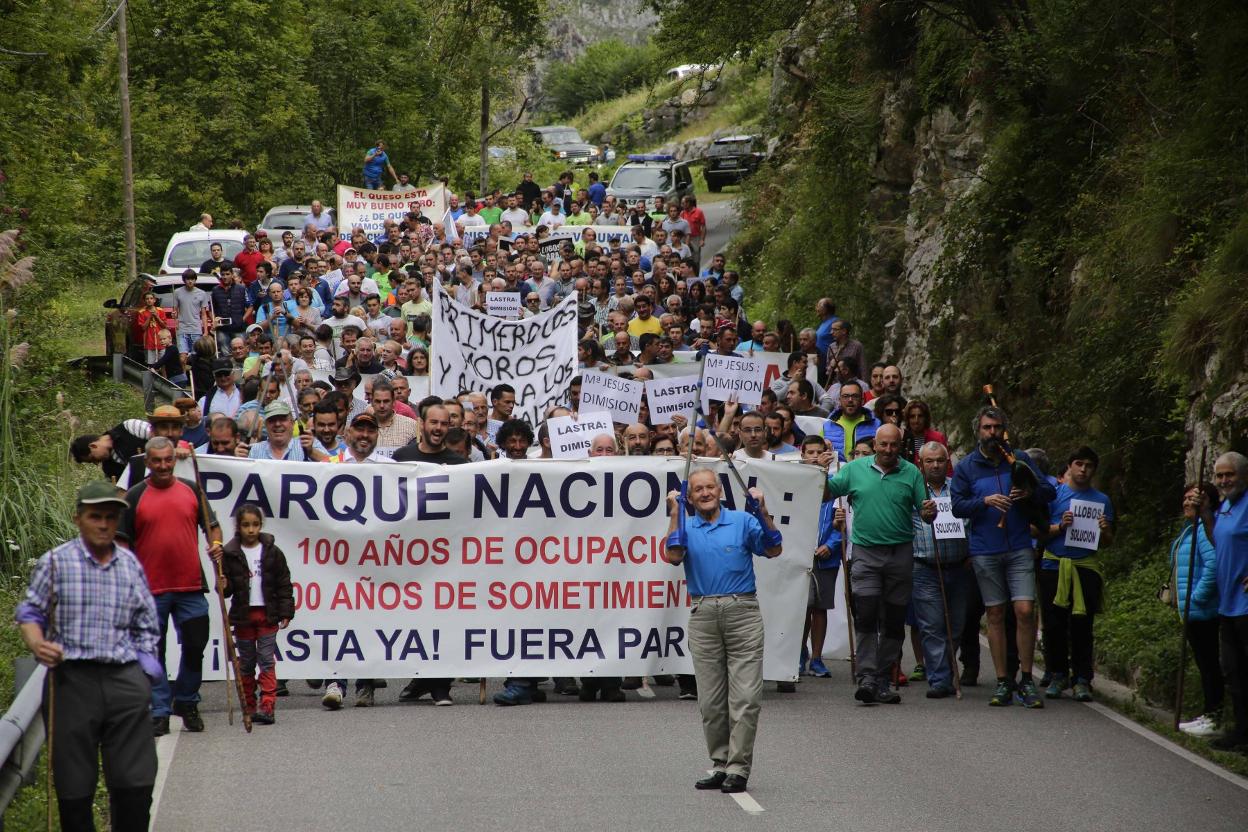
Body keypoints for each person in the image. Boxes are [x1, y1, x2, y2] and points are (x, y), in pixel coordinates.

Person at [15, 481, 162, 832]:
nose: (103, 525)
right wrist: (37, 644)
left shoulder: (130, 565)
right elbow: (31, 613)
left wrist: (143, 673)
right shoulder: (55, 563)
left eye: (111, 518)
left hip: (124, 678)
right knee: (74, 783)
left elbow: (147, 624)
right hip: (72, 681)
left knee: (136, 781)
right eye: (95, 516)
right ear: (78, 518)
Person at [664, 468, 782, 793]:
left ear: (719, 491)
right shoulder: (685, 525)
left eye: (710, 488)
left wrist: (764, 511)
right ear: (690, 497)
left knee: (745, 696)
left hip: (741, 609)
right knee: (711, 701)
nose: (704, 493)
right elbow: (673, 555)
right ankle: (720, 763)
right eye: (698, 490)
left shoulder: (742, 521)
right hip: (703, 613)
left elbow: (773, 548)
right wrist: (675, 513)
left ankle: (738, 768)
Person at [950, 406, 1055, 709]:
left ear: (1003, 430)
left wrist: (1028, 492)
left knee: (1024, 610)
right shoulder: (968, 466)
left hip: (1020, 544)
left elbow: (1048, 491)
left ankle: (1025, 678)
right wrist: (983, 501)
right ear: (978, 431)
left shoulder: (1018, 459)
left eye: (996, 428)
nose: (992, 433)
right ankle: (1002, 680)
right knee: (994, 614)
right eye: (986, 428)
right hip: (985, 549)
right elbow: (957, 506)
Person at [824, 424, 936, 704]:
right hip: (865, 552)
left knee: (894, 619)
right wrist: (818, 471)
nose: (888, 450)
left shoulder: (911, 472)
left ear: (900, 446)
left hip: (900, 552)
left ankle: (884, 678)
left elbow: (926, 515)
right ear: (875, 443)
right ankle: (867, 677)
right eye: (883, 444)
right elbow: (826, 492)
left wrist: (928, 511)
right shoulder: (854, 469)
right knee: (866, 613)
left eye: (893, 445)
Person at [118, 436, 222, 736]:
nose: (163, 466)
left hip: (190, 585)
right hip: (150, 590)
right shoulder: (134, 496)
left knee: (195, 644)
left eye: (167, 460)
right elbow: (122, 542)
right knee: (154, 652)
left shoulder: (191, 489)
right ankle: (160, 710)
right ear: (147, 462)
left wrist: (215, 544)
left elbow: (211, 525)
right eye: (157, 461)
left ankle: (187, 701)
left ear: (173, 461)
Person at [1039, 446, 1115, 701]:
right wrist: (1060, 526)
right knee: (1054, 625)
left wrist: (1104, 530)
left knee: (1083, 625)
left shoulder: (1101, 500)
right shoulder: (1053, 495)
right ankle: (1057, 674)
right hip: (1054, 566)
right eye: (1079, 464)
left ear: (1094, 470)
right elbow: (1035, 531)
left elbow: (1106, 542)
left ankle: (1083, 679)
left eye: (1089, 466)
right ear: (1069, 466)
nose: (1083, 470)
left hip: (1085, 567)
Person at [910, 441, 972, 699]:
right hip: (925, 567)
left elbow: (971, 519)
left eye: (940, 461)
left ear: (948, 462)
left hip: (959, 566)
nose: (935, 465)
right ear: (920, 463)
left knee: (955, 626)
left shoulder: (959, 489)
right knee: (932, 625)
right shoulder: (914, 490)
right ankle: (939, 679)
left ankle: (945, 670)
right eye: (929, 461)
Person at [1196, 451, 1248, 751]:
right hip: (1227, 602)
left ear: (1242, 475)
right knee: (1233, 670)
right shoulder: (1226, 505)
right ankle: (1241, 731)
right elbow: (1219, 540)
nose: (1224, 480)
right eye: (1219, 476)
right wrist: (1205, 514)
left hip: (1245, 603)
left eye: (1229, 474)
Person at [1173, 481, 1222, 736]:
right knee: (1204, 663)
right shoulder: (1191, 529)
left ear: (1207, 504)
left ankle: (1214, 715)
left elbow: (1214, 566)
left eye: (1194, 499)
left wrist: (1196, 598)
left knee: (1209, 663)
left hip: (1202, 610)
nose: (1187, 503)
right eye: (1185, 498)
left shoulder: (1204, 530)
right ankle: (1209, 712)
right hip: (1192, 610)